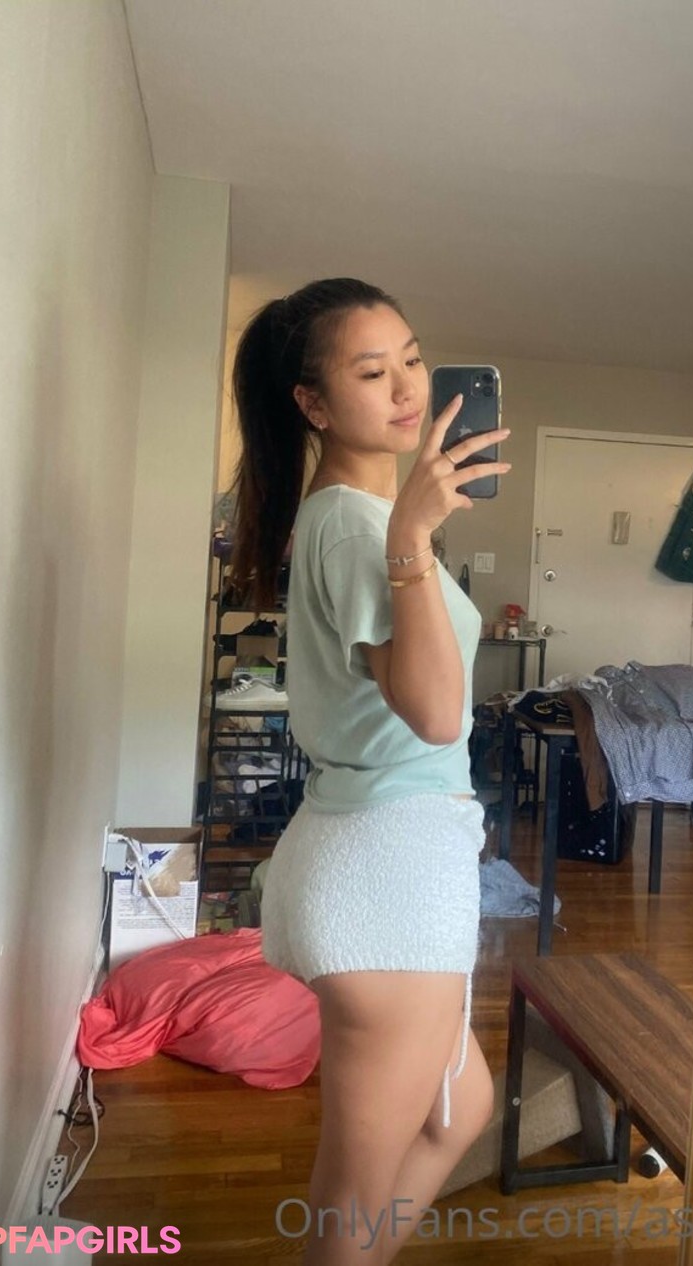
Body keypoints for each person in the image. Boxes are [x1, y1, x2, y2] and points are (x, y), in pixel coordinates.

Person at [229, 278, 512, 1264]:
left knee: (460, 1107)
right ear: (312, 403)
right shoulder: (361, 525)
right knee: (353, 1195)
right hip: (388, 869)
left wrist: (411, 536)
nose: (406, 388)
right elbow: (435, 713)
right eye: (370, 371)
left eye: (413, 359)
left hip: (381, 848)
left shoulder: (354, 515)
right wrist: (412, 542)